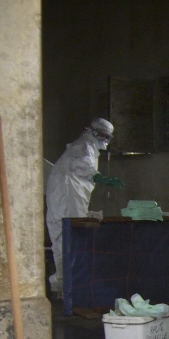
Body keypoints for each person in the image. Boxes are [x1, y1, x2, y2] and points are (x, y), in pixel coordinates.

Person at [45, 118, 123, 293]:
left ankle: (66, 286)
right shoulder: (84, 146)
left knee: (68, 237)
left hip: (67, 196)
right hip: (67, 196)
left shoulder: (87, 147)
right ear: (94, 132)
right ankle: (67, 286)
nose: (105, 141)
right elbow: (83, 165)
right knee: (70, 236)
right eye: (104, 136)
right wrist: (100, 178)